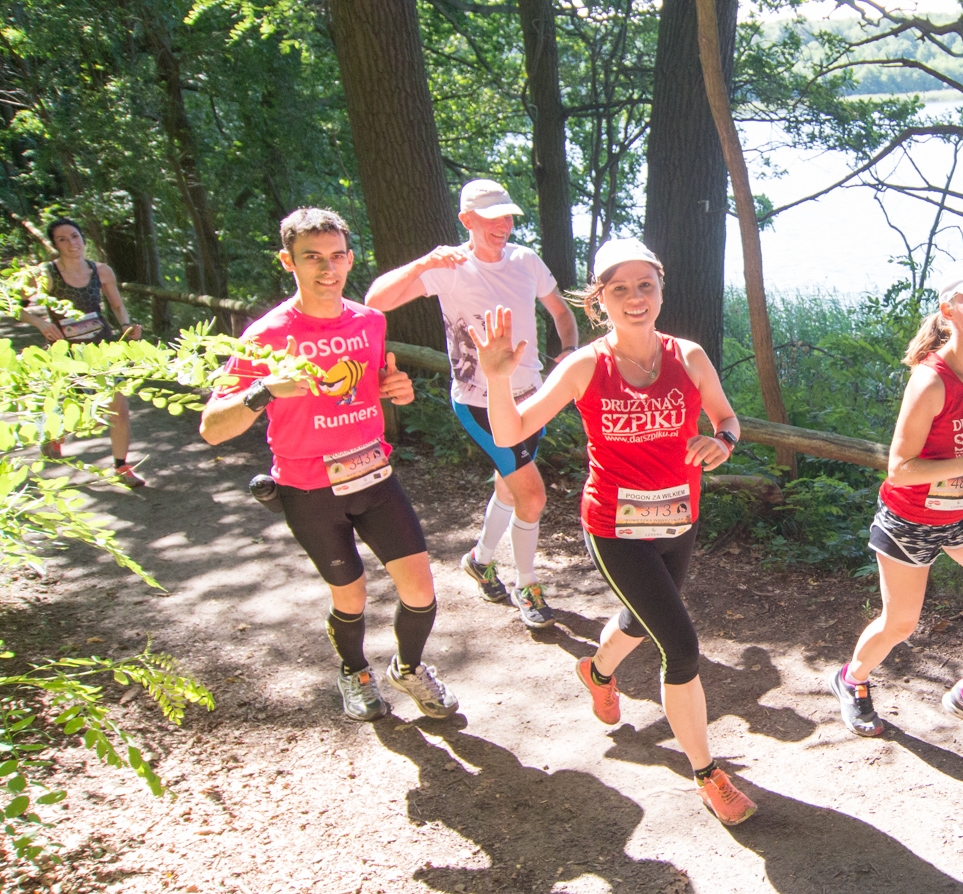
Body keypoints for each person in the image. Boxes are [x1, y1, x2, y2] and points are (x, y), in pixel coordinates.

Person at [478, 237, 756, 826]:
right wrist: (497, 379)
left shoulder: (690, 356)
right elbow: (510, 433)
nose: (635, 298)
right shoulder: (585, 366)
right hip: (613, 525)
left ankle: (597, 670)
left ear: (660, 289)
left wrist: (722, 442)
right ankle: (709, 776)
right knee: (679, 643)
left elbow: (727, 418)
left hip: (679, 518)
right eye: (619, 289)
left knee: (641, 618)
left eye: (645, 285)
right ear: (598, 299)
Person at [199, 207, 459, 724]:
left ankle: (408, 669)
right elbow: (212, 426)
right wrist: (263, 390)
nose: (327, 269)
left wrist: (396, 391)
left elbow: (373, 387)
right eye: (312, 258)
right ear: (287, 261)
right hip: (308, 489)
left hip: (375, 476)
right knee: (352, 593)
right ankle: (355, 671)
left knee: (421, 589)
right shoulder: (266, 335)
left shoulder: (369, 321)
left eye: (337, 256)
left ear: (350, 259)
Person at [829, 262, 963, 743]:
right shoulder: (930, 381)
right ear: (949, 312)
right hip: (910, 520)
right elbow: (900, 468)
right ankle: (852, 679)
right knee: (900, 623)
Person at [365, 179, 579, 630]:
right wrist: (424, 261)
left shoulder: (525, 260)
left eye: (508, 215)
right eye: (492, 216)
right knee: (533, 495)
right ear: (466, 221)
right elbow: (375, 301)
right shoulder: (449, 266)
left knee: (510, 486)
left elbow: (561, 311)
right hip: (479, 403)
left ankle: (480, 562)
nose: (504, 224)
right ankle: (527, 584)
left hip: (530, 398)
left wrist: (567, 352)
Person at [15, 218, 145, 486]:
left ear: (83, 238)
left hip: (102, 348)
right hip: (66, 353)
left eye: (74, 236)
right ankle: (52, 435)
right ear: (55, 245)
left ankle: (122, 468)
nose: (71, 243)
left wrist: (126, 327)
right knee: (77, 410)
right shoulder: (45, 274)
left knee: (118, 408)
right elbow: (13, 305)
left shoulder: (101, 271)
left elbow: (118, 306)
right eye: (62, 239)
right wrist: (41, 323)